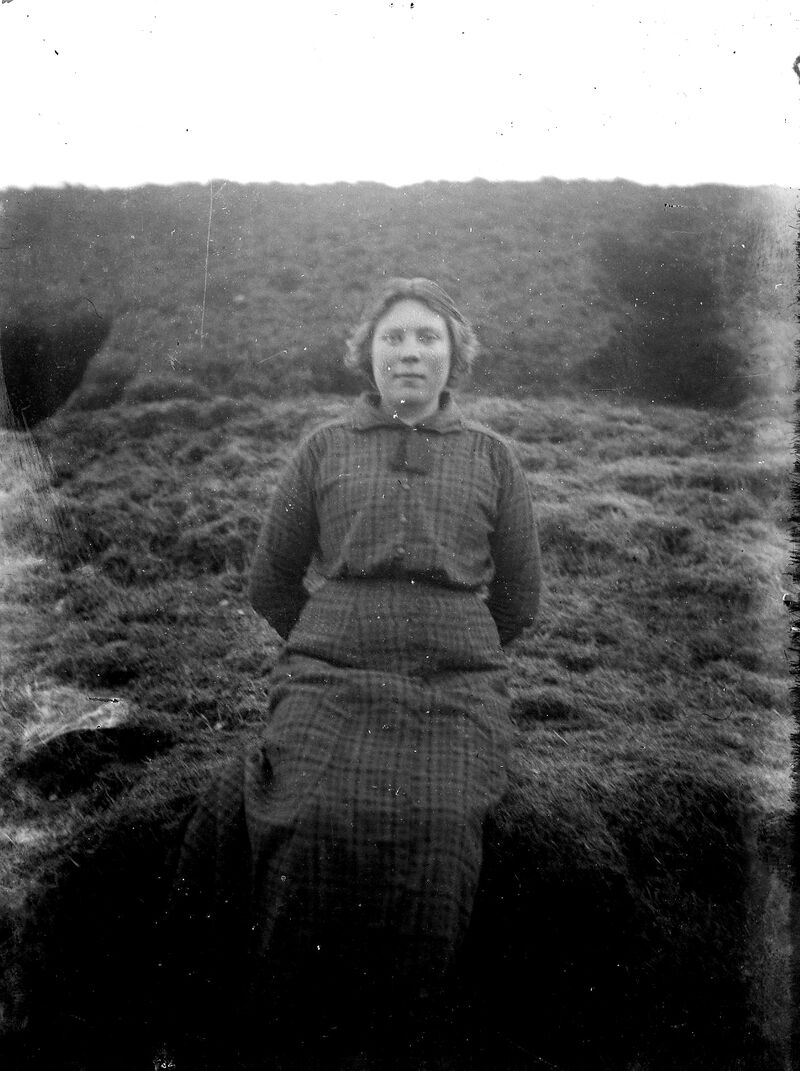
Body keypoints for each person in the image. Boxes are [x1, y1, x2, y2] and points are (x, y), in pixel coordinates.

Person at [169, 278, 541, 1071]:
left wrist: (456, 642)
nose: (410, 352)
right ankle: (285, 1037)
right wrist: (325, 641)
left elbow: (519, 595)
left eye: (428, 338)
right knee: (303, 816)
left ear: (454, 355)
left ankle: (403, 1041)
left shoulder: (492, 456)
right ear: (368, 354)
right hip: (330, 671)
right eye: (393, 338)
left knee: (441, 826)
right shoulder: (324, 448)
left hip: (454, 681)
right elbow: (271, 579)